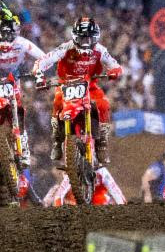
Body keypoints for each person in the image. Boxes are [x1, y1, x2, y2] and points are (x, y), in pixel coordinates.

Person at [34, 17, 123, 166]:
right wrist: (39, 76)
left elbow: (115, 65)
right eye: (83, 38)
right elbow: (42, 61)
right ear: (75, 37)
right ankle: (57, 141)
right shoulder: (65, 48)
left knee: (103, 105)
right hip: (66, 85)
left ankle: (101, 144)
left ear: (95, 38)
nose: (86, 42)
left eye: (90, 38)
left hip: (89, 85)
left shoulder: (100, 50)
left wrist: (115, 72)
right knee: (57, 104)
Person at [0, 4, 44, 178]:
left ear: (16, 34)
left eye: (9, 36)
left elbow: (43, 57)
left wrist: (39, 70)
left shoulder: (23, 43)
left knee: (19, 113)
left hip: (13, 78)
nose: (6, 41)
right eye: (2, 36)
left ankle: (24, 151)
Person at [44, 166, 127, 206]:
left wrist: (122, 206)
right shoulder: (69, 177)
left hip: (100, 206)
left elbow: (117, 193)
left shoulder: (101, 173)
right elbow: (57, 197)